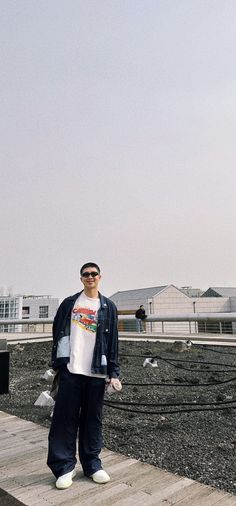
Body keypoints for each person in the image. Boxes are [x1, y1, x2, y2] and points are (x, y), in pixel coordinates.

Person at [47, 262, 120, 489]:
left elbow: (113, 343)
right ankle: (64, 467)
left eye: (94, 274)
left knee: (93, 420)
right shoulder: (70, 304)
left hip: (96, 373)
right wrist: (57, 365)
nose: (90, 277)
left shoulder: (109, 306)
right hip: (72, 370)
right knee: (64, 420)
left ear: (100, 277)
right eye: (86, 274)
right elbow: (57, 334)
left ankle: (92, 465)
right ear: (81, 279)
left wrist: (114, 373)